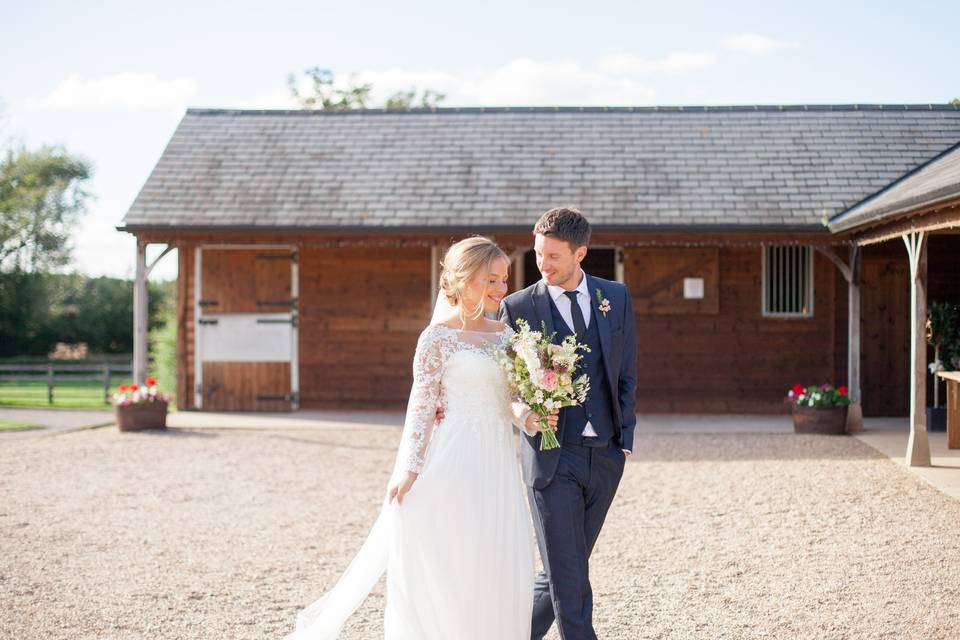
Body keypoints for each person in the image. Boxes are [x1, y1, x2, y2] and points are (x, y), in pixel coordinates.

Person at [284, 236, 558, 640]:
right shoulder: (436, 338)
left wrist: (532, 419)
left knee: (491, 556)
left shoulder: (505, 335)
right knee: (448, 553)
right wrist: (409, 469)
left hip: (497, 462)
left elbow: (511, 402)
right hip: (451, 456)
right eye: (492, 280)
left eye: (504, 281)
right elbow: (422, 406)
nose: (501, 290)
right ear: (465, 279)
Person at [499, 207, 638, 640]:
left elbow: (626, 372)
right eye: (539, 254)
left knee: (565, 568)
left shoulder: (615, 298)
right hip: (551, 458)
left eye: (554, 256)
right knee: (570, 575)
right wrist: (525, 415)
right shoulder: (519, 307)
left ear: (581, 253)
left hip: (606, 456)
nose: (543, 264)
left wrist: (625, 441)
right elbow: (506, 384)